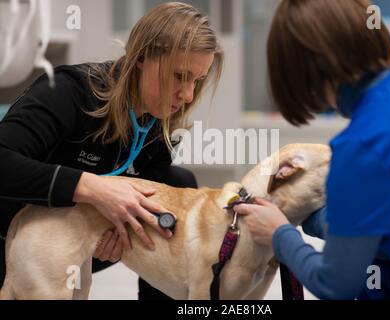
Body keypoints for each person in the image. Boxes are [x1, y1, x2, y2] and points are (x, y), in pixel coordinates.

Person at [0, 2, 223, 300]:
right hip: (11, 235)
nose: (188, 95)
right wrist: (90, 186)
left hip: (70, 242)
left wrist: (115, 236)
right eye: (179, 76)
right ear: (142, 57)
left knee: (179, 183)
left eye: (198, 81)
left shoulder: (158, 130)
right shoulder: (69, 91)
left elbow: (141, 211)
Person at [234, 0, 390, 300]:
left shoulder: (361, 145)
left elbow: (334, 284)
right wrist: (325, 221)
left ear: (306, 71)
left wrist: (279, 235)